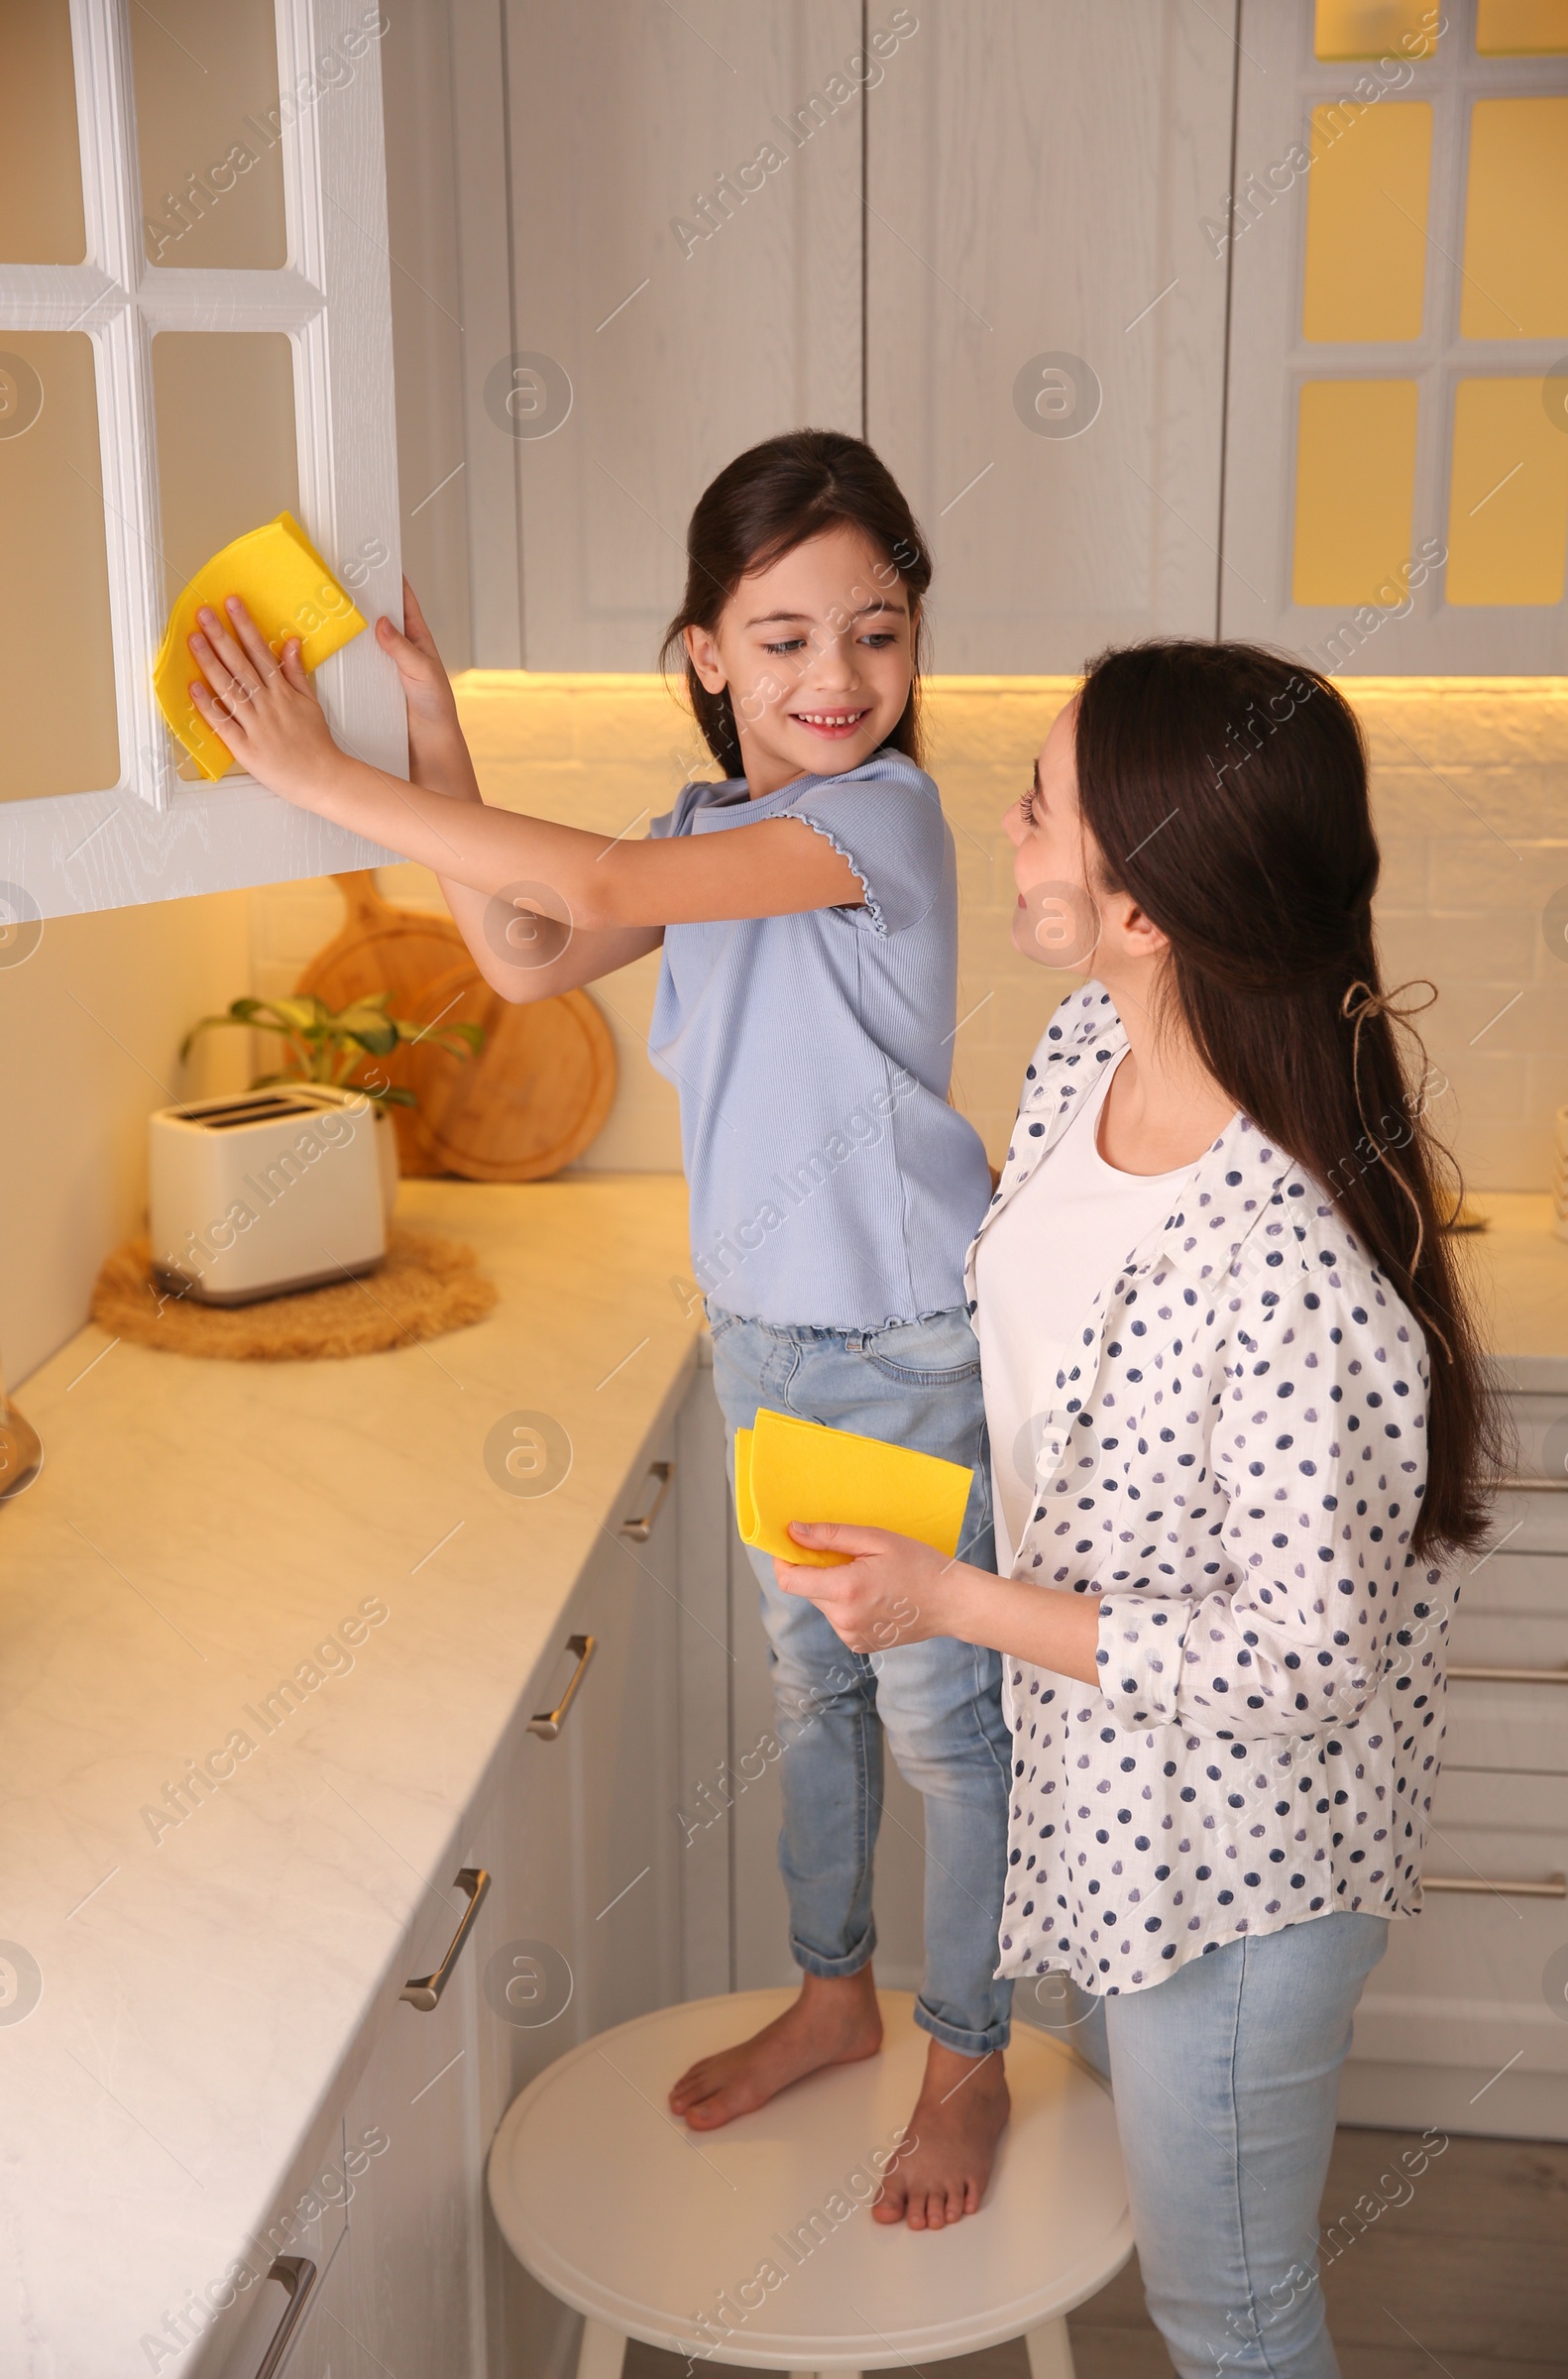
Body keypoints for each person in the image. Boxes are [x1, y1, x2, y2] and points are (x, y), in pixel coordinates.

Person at [182, 429, 1014, 2230]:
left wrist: (320, 777)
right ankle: (831, 1997)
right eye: (783, 638)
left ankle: (966, 2062)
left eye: (877, 631)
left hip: (902, 1346)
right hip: (777, 1344)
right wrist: (430, 736)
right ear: (705, 652)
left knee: (947, 1728)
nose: (839, 677)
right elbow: (528, 955)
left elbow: (604, 897)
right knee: (817, 1698)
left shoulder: (871, 822)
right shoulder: (717, 827)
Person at [773, 641, 1498, 2367]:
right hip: (1110, 1792)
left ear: (1150, 906)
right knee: (1173, 2246)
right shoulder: (1087, 1041)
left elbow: (1302, 1664)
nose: (1010, 832)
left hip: (1242, 1876)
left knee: (1229, 2315)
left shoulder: (1293, 1266)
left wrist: (950, 1605)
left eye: (1040, 806)